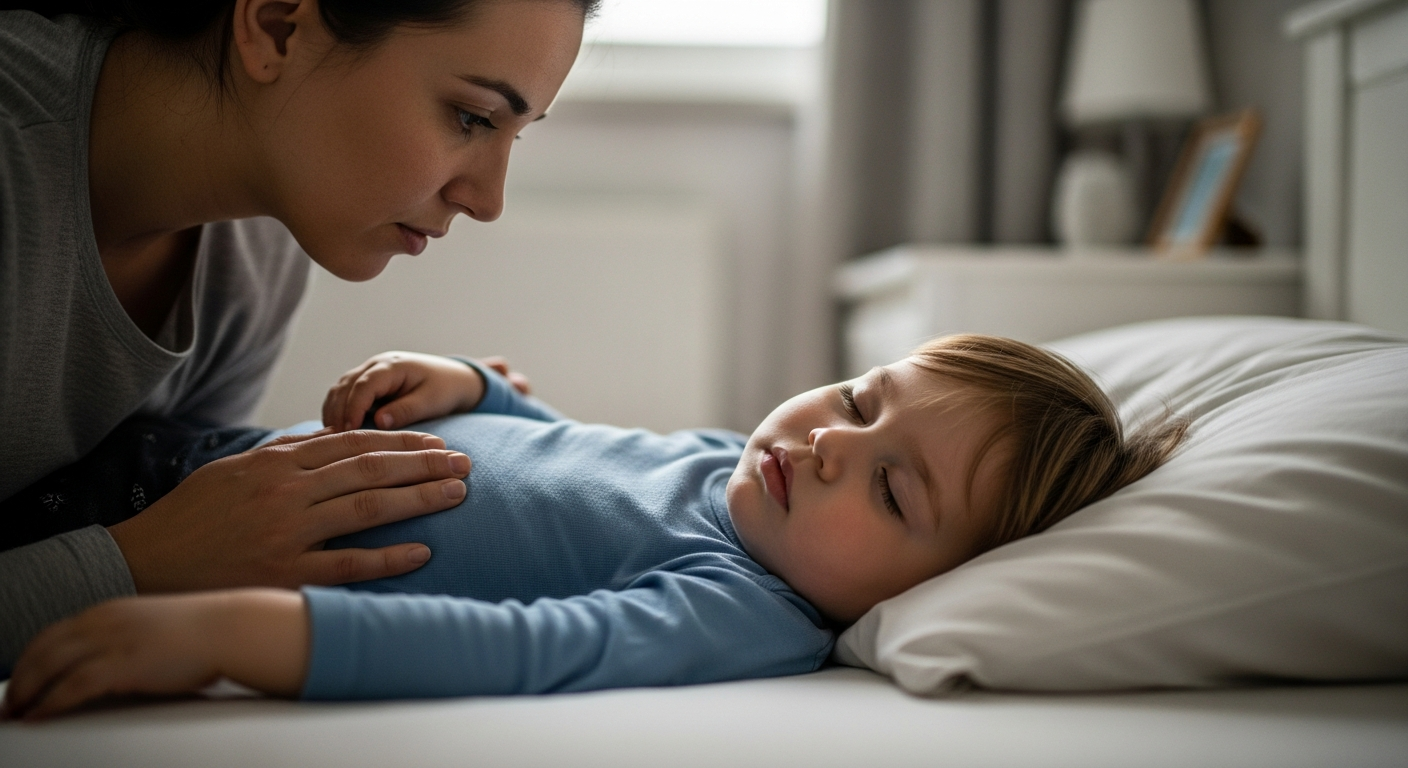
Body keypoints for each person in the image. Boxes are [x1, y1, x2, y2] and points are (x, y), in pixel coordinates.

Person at [1, 335, 1188, 718]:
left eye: (891, 490)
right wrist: (473, 386)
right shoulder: (746, 470)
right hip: (186, 461)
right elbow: (574, 449)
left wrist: (235, 636)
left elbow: (525, 647)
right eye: (862, 399)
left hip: (147, 542)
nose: (830, 442)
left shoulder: (745, 610)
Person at [0, 0, 594, 667]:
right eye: (471, 117)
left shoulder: (260, 240)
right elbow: (167, 556)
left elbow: (172, 518)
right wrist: (138, 566)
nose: (488, 201)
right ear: (278, 25)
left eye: (515, 135)